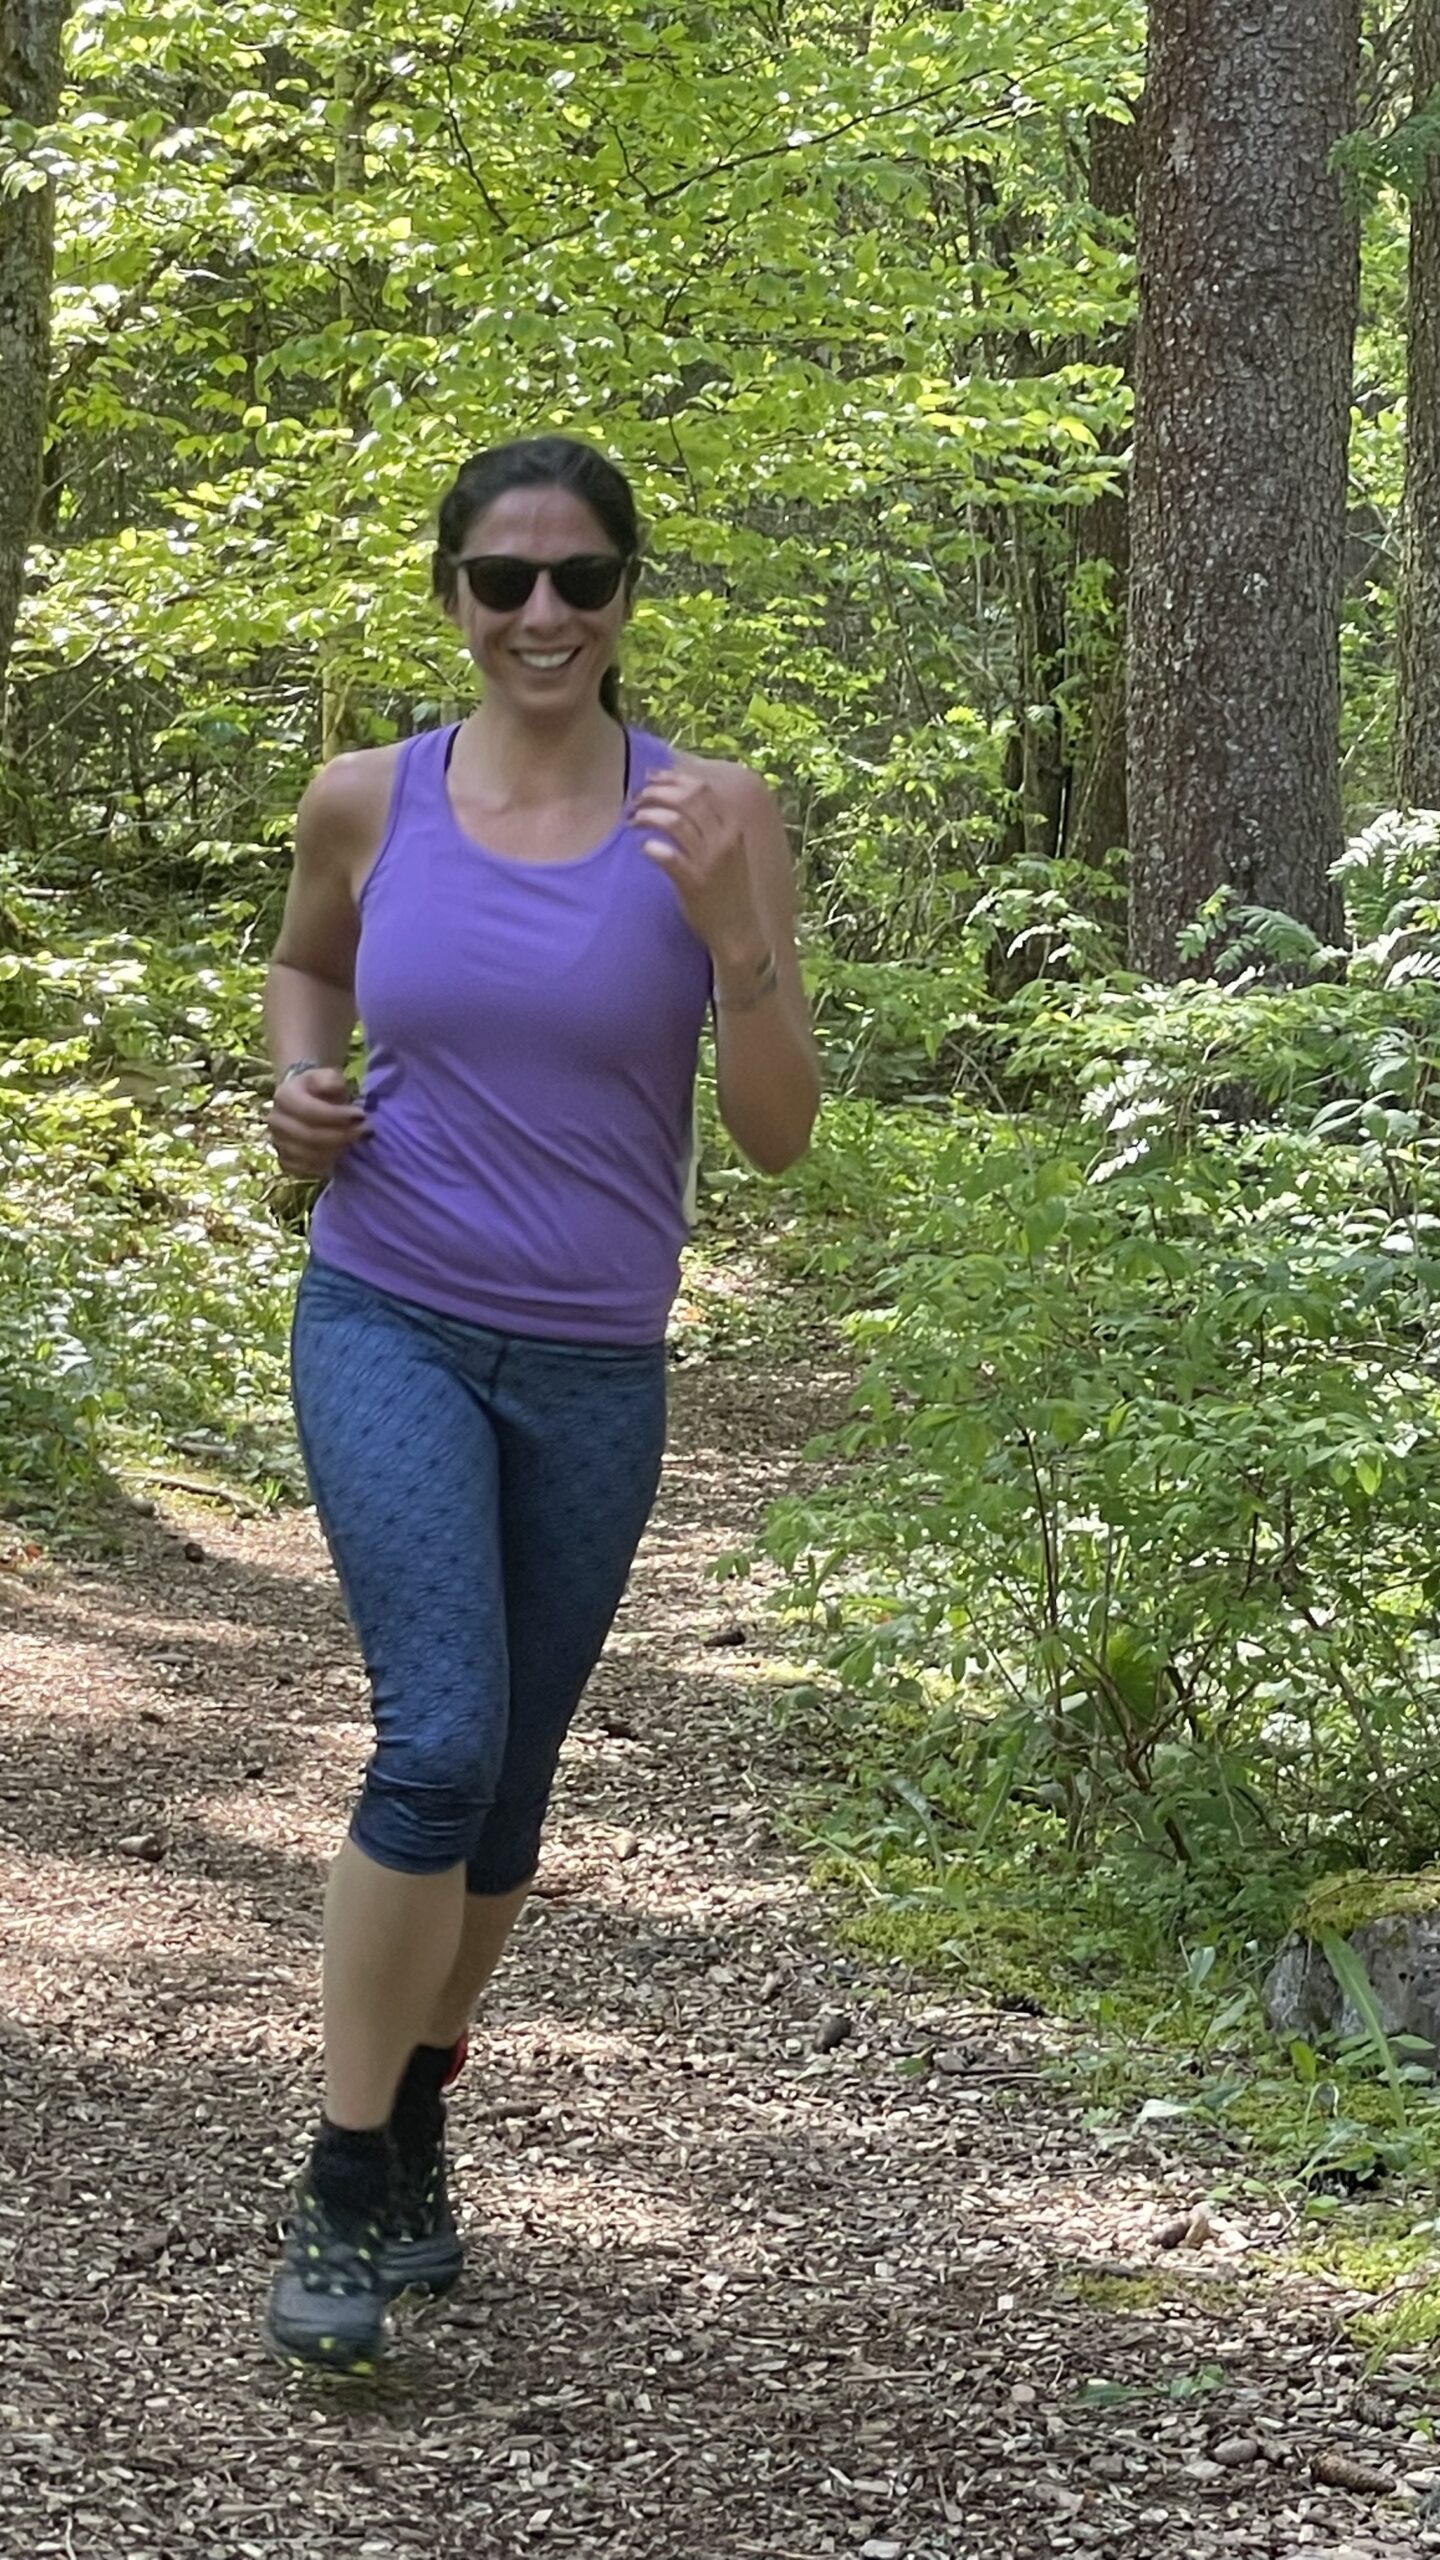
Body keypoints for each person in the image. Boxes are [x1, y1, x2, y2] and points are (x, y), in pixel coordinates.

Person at [259, 433, 820, 2370]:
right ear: (454, 598)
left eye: (582, 577)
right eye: (504, 580)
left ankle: (421, 2101)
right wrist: (298, 1089)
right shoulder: (368, 796)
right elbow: (304, 967)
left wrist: (736, 932)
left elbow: (777, 1132)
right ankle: (344, 2172)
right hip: (388, 1314)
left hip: (593, 1360)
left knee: (506, 1787)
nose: (544, 613)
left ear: (627, 594)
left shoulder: (711, 813)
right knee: (438, 1738)